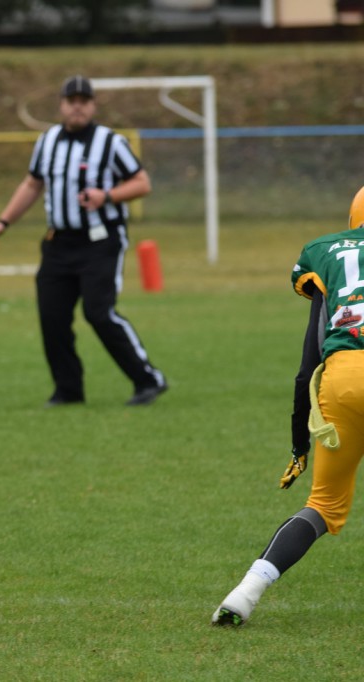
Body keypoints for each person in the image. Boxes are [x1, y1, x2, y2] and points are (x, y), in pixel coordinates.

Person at [212, 186, 364, 626]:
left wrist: (300, 446)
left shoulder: (325, 251)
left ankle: (244, 593)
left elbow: (306, 368)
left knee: (323, 505)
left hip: (342, 378)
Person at [0, 74, 167, 407]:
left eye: (84, 101)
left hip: (101, 241)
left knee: (99, 312)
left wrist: (106, 195)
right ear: (62, 105)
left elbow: (142, 183)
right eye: (71, 101)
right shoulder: (48, 140)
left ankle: (147, 379)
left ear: (93, 105)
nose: (77, 107)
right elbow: (32, 184)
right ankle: (68, 390)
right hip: (58, 243)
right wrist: (2, 221)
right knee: (52, 316)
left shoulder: (111, 143)